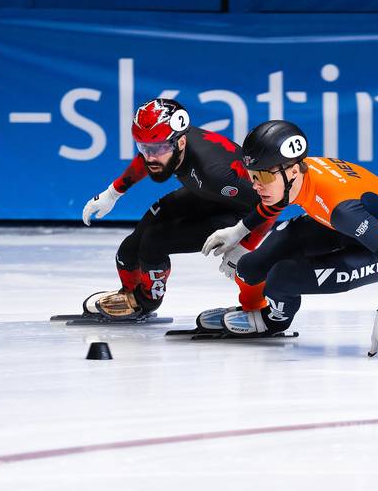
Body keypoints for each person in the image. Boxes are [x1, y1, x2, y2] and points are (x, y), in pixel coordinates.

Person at [202, 120, 378, 358]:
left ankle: (274, 321)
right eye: (252, 175)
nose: (255, 186)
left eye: (262, 176)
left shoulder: (341, 209)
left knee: (282, 277)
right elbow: (277, 199)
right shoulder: (295, 174)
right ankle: (259, 306)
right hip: (343, 226)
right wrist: (239, 231)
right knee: (249, 267)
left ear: (293, 171)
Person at [81, 98, 272, 323]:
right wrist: (112, 193)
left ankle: (146, 302)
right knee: (129, 249)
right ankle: (130, 295)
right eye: (143, 147)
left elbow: (273, 201)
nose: (150, 157)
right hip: (206, 195)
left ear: (180, 143)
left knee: (154, 243)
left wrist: (245, 243)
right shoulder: (168, 144)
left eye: (158, 148)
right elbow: (149, 157)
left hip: (242, 214)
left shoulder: (215, 172)